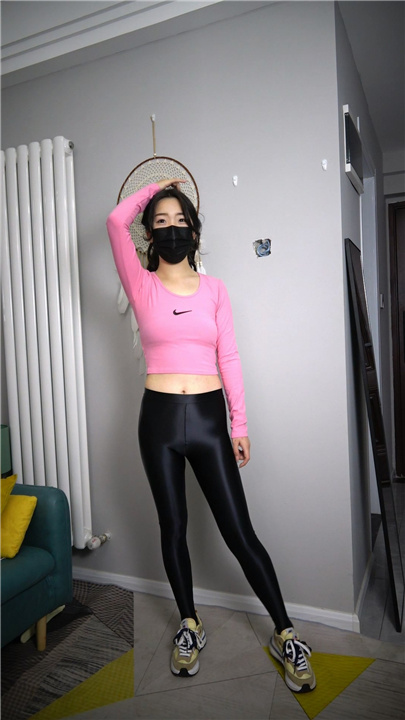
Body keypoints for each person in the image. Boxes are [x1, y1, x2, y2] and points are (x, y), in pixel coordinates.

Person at [107, 178, 316, 694]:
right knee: (172, 527)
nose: (172, 229)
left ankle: (285, 633)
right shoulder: (140, 285)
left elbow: (230, 358)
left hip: (206, 418)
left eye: (180, 220)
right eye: (161, 222)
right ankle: (190, 623)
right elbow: (114, 221)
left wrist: (238, 424)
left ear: (194, 231)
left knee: (239, 533)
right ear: (149, 236)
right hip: (157, 420)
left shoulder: (215, 289)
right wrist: (159, 185)